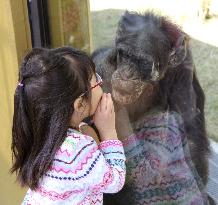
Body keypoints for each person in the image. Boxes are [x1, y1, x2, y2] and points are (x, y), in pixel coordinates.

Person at [11, 47, 126, 205]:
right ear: (79, 104)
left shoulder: (41, 133)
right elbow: (115, 181)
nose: (101, 84)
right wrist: (108, 131)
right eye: (96, 81)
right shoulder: (77, 150)